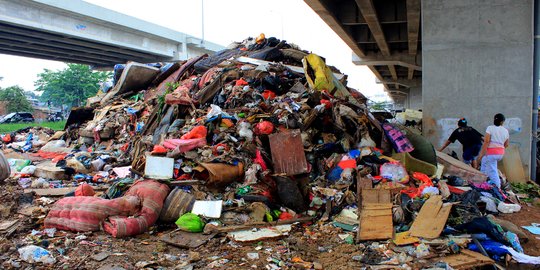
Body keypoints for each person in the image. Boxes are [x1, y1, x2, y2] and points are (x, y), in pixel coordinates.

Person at [477, 113, 509, 188]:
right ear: (502, 122)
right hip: (500, 153)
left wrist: (481, 154)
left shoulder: (490, 128)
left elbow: (486, 141)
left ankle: (497, 187)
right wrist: (499, 149)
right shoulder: (505, 131)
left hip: (491, 153)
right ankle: (481, 182)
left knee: (492, 170)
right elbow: (506, 144)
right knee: (484, 162)